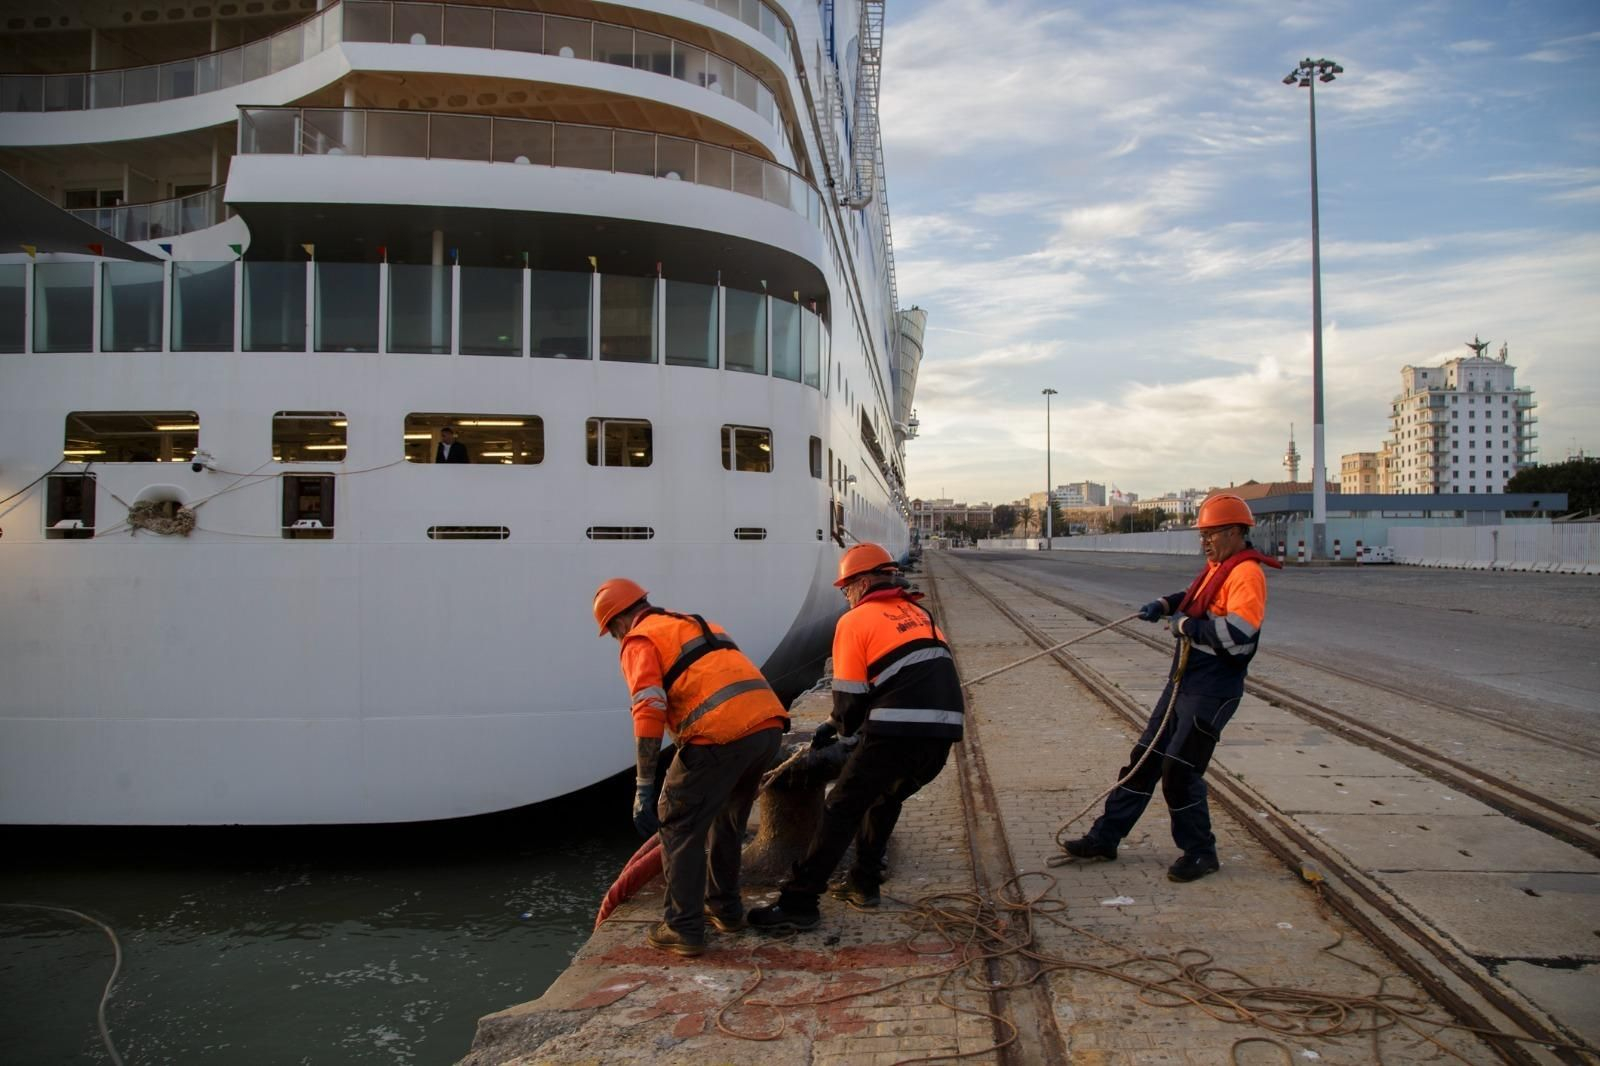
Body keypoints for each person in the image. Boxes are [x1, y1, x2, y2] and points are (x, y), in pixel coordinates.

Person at [1060, 492, 1281, 882]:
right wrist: (1164, 604)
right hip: (1186, 681)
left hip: (1212, 688)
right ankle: (1105, 837)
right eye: (1202, 535)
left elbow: (1239, 636)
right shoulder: (1220, 567)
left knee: (1179, 771)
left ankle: (1200, 852)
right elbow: (1194, 598)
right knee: (1144, 759)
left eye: (1210, 534)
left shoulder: (1247, 574)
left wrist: (1184, 627)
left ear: (1233, 532)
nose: (1204, 542)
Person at [748, 543, 964, 933]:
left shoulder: (855, 621)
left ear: (863, 583)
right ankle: (864, 883)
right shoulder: (918, 613)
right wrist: (834, 724)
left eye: (846, 589)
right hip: (941, 735)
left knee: (840, 809)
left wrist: (840, 730)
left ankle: (799, 902)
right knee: (885, 797)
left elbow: (850, 702)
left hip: (896, 733)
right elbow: (900, 678)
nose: (845, 597)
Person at [592, 578, 787, 957]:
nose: (616, 639)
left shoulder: (640, 640)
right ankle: (726, 909)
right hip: (767, 727)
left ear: (618, 622)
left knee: (678, 819)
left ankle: (682, 926)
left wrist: (644, 785)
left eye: (612, 632)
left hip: (720, 734)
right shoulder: (695, 623)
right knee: (727, 821)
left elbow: (648, 710)